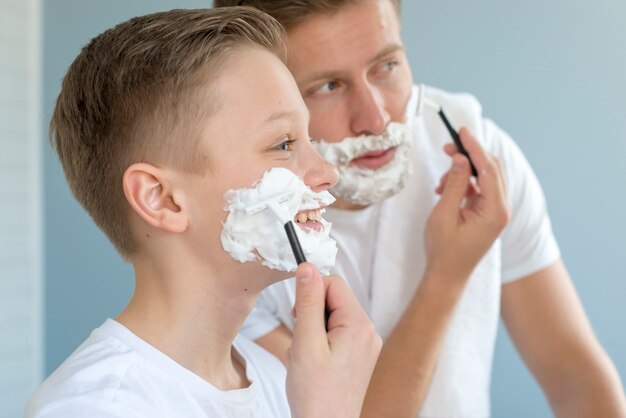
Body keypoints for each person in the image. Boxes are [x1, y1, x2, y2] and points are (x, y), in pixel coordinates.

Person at [214, 1, 626, 417]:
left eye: (386, 66)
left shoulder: (477, 158)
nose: (375, 119)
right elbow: (352, 412)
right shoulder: (244, 226)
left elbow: (575, 376)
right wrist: (446, 276)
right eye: (328, 87)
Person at [25, 7, 383, 418]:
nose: (327, 173)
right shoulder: (94, 407)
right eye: (284, 143)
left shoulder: (285, 381)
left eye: (309, 138)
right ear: (162, 199)